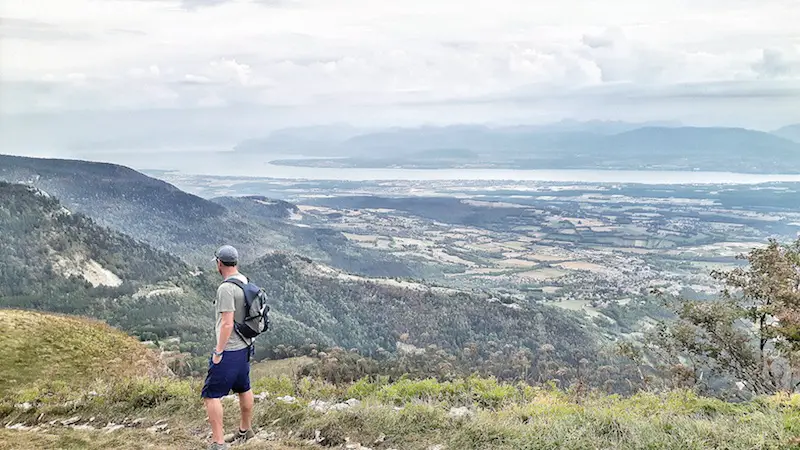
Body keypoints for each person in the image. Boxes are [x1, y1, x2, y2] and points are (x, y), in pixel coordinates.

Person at [203, 245, 256, 450]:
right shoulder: (244, 281)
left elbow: (227, 323)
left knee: (211, 395)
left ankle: (218, 443)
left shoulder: (225, 288)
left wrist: (218, 351)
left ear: (219, 263)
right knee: (244, 388)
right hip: (245, 346)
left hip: (230, 349)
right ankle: (246, 430)